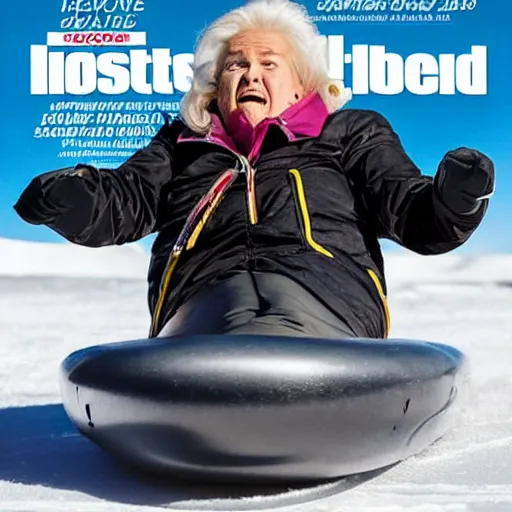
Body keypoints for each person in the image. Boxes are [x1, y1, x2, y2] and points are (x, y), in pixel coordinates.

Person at [14, 0, 494, 341]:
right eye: (235, 65)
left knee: (286, 320)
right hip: (199, 296)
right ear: (214, 85)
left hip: (328, 296)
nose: (250, 74)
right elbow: (124, 200)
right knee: (223, 318)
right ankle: (206, 372)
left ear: (302, 84)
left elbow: (413, 214)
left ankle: (300, 365)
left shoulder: (350, 133)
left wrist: (455, 197)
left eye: (269, 63)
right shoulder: (180, 145)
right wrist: (72, 197)